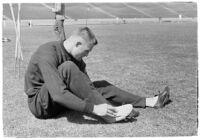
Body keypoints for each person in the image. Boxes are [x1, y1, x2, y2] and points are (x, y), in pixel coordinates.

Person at [24, 27, 170, 123]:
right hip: (41, 105)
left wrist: (107, 103)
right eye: (87, 51)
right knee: (67, 67)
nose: (87, 55)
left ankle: (150, 101)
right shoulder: (47, 52)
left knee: (100, 85)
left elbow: (88, 89)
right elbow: (58, 94)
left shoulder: (77, 59)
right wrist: (95, 109)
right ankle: (111, 115)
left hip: (62, 101)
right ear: (77, 44)